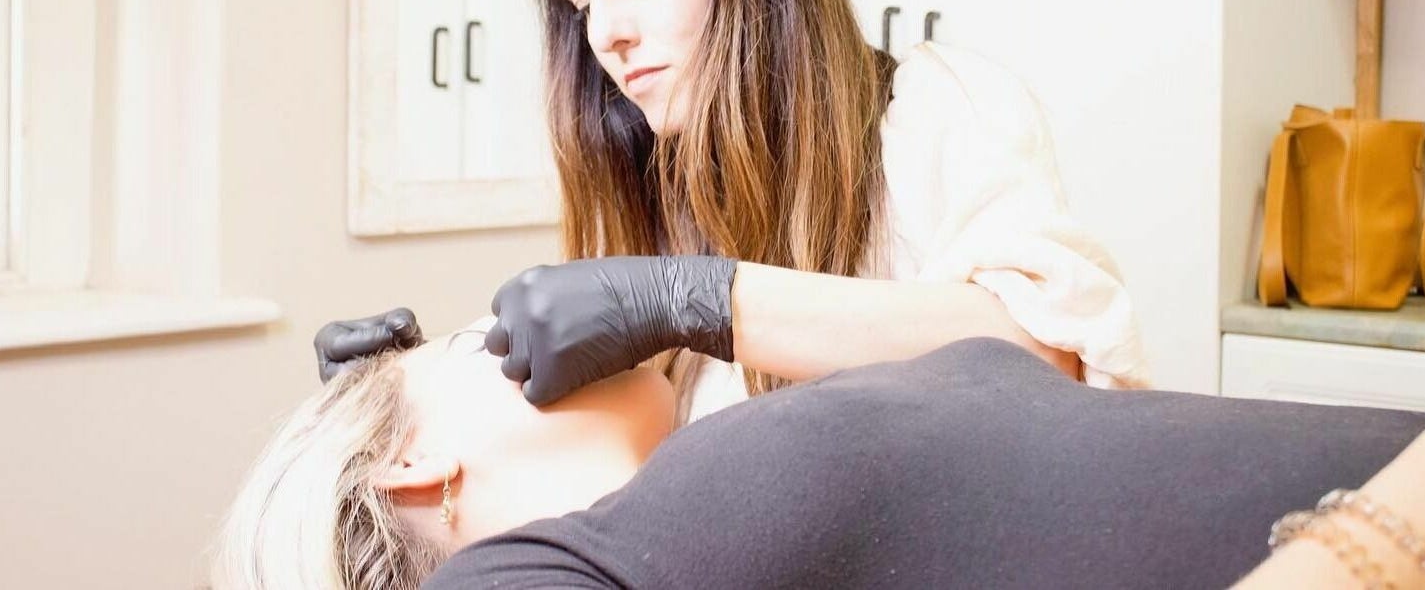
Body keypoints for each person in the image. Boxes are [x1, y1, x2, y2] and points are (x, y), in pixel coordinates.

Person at [315, 0, 1149, 421]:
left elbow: (1042, 353)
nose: (605, 35)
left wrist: (702, 299)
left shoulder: (940, 108)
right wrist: (410, 390)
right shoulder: (659, 170)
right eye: (579, 0)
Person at [217, 322, 1425, 589]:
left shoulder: (702, 499)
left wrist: (700, 296)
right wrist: (1373, 545)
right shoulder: (536, 571)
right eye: (464, 345)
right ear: (412, 464)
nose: (505, 326)